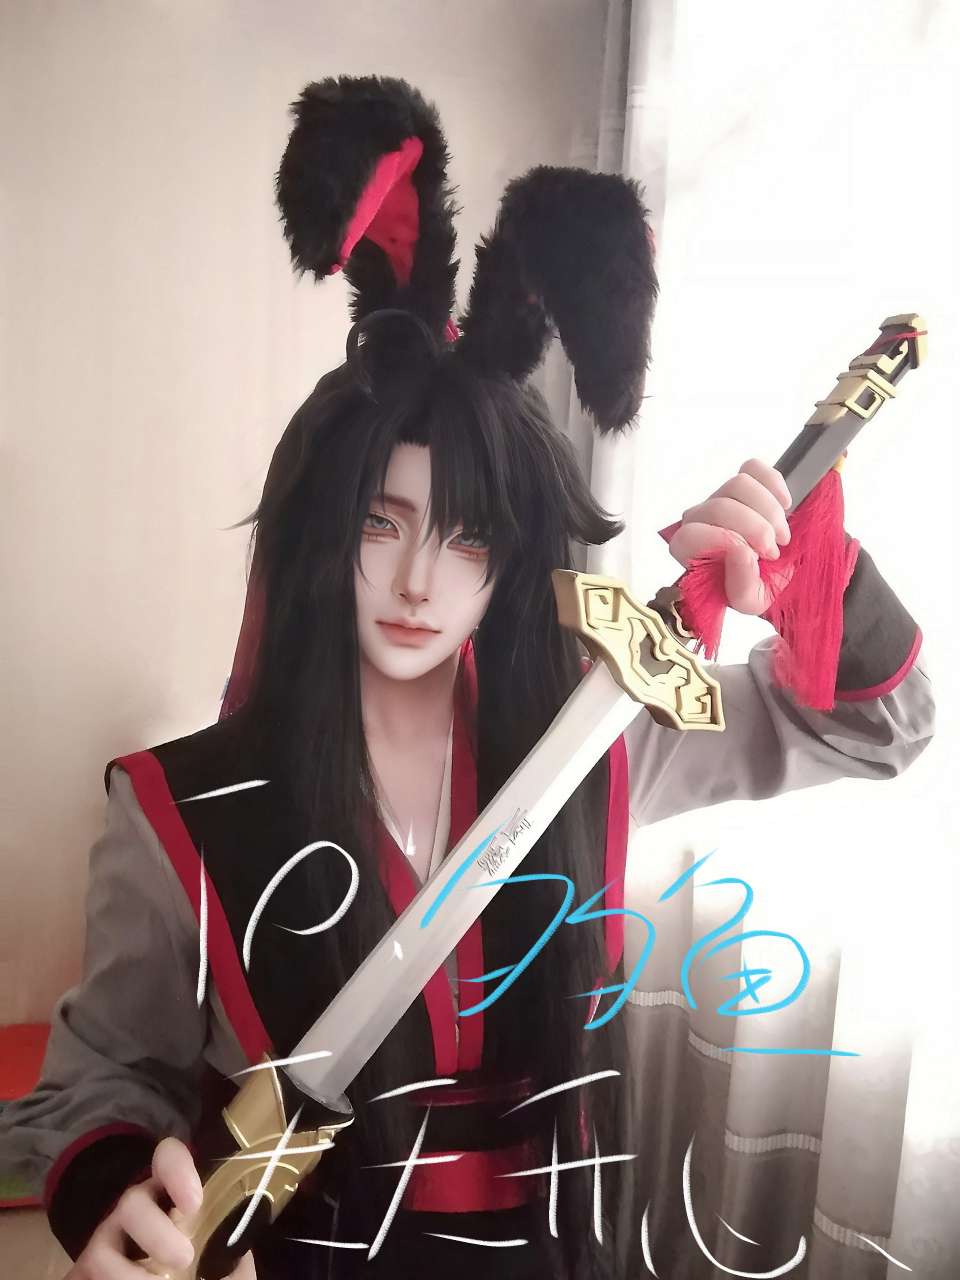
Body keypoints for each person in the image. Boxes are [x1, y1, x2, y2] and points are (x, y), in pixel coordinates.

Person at [0, 75, 934, 1280]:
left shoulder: (596, 741)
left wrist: (818, 584)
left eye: (468, 535)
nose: (418, 581)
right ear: (320, 535)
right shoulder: (180, 812)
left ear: (511, 561)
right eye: (381, 522)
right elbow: (99, 1075)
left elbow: (883, 731)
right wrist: (116, 1181)